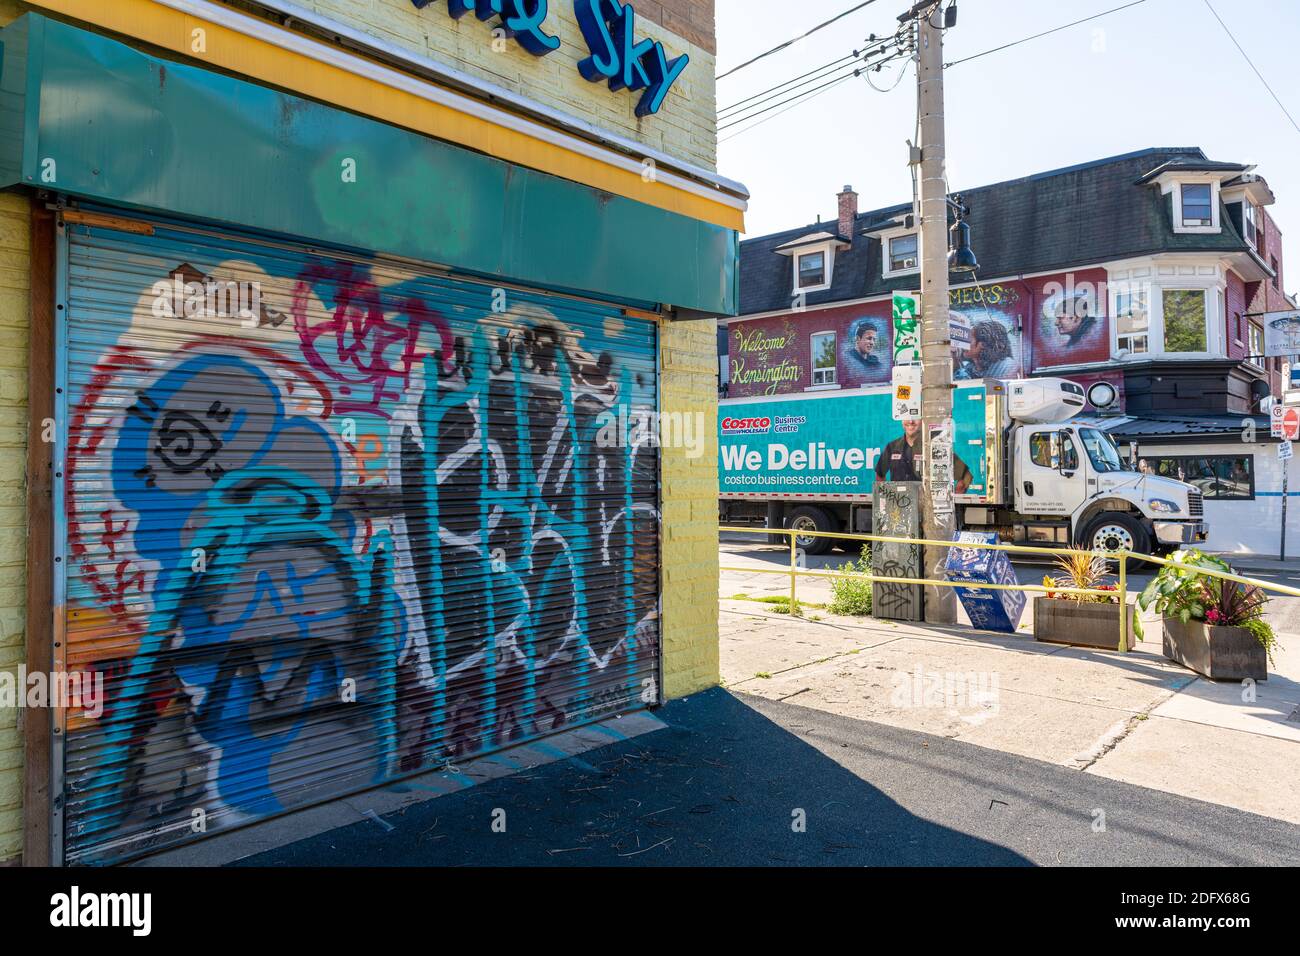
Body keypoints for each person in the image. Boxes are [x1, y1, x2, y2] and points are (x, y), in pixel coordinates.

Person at [875, 419, 973, 492]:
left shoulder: (935, 447)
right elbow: (879, 475)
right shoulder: (892, 447)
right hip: (899, 509)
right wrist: (888, 498)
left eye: (915, 416)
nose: (911, 421)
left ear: (922, 419)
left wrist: (953, 501)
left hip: (927, 510)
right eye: (907, 416)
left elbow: (966, 476)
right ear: (901, 421)